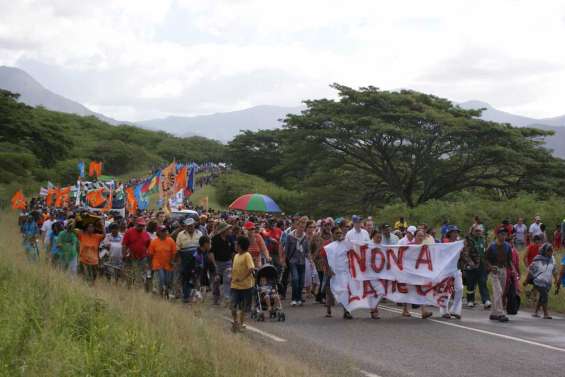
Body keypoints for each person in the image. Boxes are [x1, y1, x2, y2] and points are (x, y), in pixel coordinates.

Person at [402, 230, 433, 319]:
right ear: (414, 236)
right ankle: (405, 310)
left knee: (422, 289)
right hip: (409, 271)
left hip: (420, 272)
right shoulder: (409, 246)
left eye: (422, 236)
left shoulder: (425, 247)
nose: (420, 237)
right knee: (408, 290)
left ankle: (424, 311)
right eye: (418, 235)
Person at [461, 225, 491, 309]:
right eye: (476, 231)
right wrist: (471, 263)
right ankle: (470, 300)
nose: (478, 232)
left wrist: (488, 264)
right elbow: (465, 253)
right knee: (471, 284)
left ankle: (486, 300)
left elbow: (486, 252)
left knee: (482, 282)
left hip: (482, 264)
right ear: (472, 231)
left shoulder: (483, 240)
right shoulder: (468, 240)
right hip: (471, 265)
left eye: (479, 231)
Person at [485, 228, 512, 322]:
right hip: (495, 271)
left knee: (499, 293)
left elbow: (509, 260)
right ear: (497, 235)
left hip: (503, 270)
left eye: (505, 234)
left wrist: (513, 271)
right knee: (498, 291)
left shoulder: (508, 246)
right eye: (501, 234)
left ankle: (493, 313)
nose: (503, 236)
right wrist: (490, 267)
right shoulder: (492, 246)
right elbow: (485, 259)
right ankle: (500, 313)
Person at [231, 236, 255, 333]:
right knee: (233, 306)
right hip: (234, 285)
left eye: (237, 243)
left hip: (245, 286)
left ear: (240, 245)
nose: (235, 245)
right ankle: (235, 322)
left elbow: (251, 268)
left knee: (242, 307)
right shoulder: (236, 256)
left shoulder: (247, 255)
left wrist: (242, 278)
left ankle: (240, 323)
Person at [526, 243, 557, 319]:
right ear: (544, 251)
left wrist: (556, 279)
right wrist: (526, 280)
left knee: (542, 297)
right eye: (548, 251)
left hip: (547, 282)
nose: (550, 252)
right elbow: (531, 270)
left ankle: (535, 312)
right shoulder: (538, 259)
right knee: (545, 296)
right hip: (538, 281)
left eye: (551, 251)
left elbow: (554, 270)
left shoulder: (552, 259)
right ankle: (546, 314)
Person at [176, 218, 202, 303]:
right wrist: (179, 260)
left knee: (196, 277)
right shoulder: (180, 234)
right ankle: (186, 296)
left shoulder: (199, 233)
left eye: (192, 225)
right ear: (185, 226)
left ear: (194, 225)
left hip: (196, 259)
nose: (190, 227)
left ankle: (195, 295)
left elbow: (202, 247)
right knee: (185, 277)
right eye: (188, 226)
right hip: (185, 259)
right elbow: (178, 248)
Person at [440, 226, 463, 319]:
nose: (456, 234)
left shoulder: (459, 243)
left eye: (457, 232)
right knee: (446, 290)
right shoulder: (444, 242)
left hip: (456, 269)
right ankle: (444, 311)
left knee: (460, 288)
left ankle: (455, 310)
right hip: (446, 269)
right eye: (454, 232)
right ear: (449, 233)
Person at [148, 225, 177, 298]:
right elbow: (150, 254)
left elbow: (174, 252)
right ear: (158, 232)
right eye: (162, 231)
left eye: (165, 231)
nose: (164, 232)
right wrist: (150, 265)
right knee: (161, 279)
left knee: (167, 281)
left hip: (168, 264)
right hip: (158, 264)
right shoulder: (154, 242)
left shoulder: (170, 240)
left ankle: (166, 293)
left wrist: (172, 261)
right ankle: (160, 294)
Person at [122, 217, 152, 289]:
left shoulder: (146, 234)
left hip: (142, 258)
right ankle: (128, 287)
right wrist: (124, 255)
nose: (141, 227)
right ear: (136, 224)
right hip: (131, 256)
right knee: (130, 273)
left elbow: (148, 246)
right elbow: (124, 244)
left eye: (143, 225)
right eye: (139, 225)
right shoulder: (129, 232)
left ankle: (138, 288)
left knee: (140, 274)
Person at [285, 218, 309, 306]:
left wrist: (309, 258)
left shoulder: (305, 237)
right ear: (297, 226)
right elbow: (286, 250)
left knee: (301, 281)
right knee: (295, 279)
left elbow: (307, 250)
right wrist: (285, 260)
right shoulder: (290, 236)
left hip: (302, 261)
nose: (301, 228)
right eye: (300, 226)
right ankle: (294, 299)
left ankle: (299, 298)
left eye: (303, 227)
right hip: (293, 261)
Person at [210, 221, 233, 305]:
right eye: (228, 229)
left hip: (228, 262)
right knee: (217, 280)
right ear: (224, 230)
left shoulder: (230, 238)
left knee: (228, 279)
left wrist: (233, 262)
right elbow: (211, 252)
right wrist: (214, 263)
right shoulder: (215, 239)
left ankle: (227, 297)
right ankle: (216, 297)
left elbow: (233, 251)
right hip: (218, 262)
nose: (229, 230)